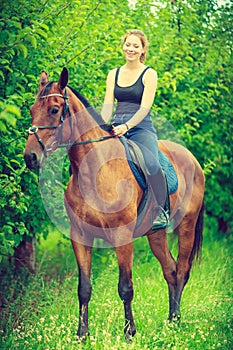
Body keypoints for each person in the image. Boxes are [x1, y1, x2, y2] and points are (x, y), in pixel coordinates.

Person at [101, 29, 169, 230]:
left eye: (135, 46)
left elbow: (145, 108)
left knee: (151, 163)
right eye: (128, 45)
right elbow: (107, 106)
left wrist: (127, 126)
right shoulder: (113, 74)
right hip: (116, 127)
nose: (130, 49)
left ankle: (160, 211)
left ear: (142, 50)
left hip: (140, 128)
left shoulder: (149, 74)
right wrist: (103, 128)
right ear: (123, 46)